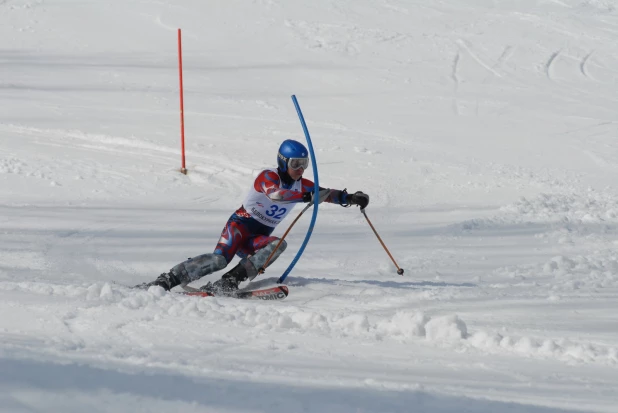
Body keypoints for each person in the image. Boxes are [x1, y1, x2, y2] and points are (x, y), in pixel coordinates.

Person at [138, 139, 369, 294]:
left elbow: (326, 194)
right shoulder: (267, 177)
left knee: (279, 244)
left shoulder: (302, 184)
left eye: (304, 164)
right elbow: (277, 195)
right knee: (219, 260)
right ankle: (168, 279)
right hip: (239, 228)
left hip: (257, 237)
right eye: (296, 164)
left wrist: (350, 198)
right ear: (283, 162)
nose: (301, 169)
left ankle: (229, 282)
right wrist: (307, 196)